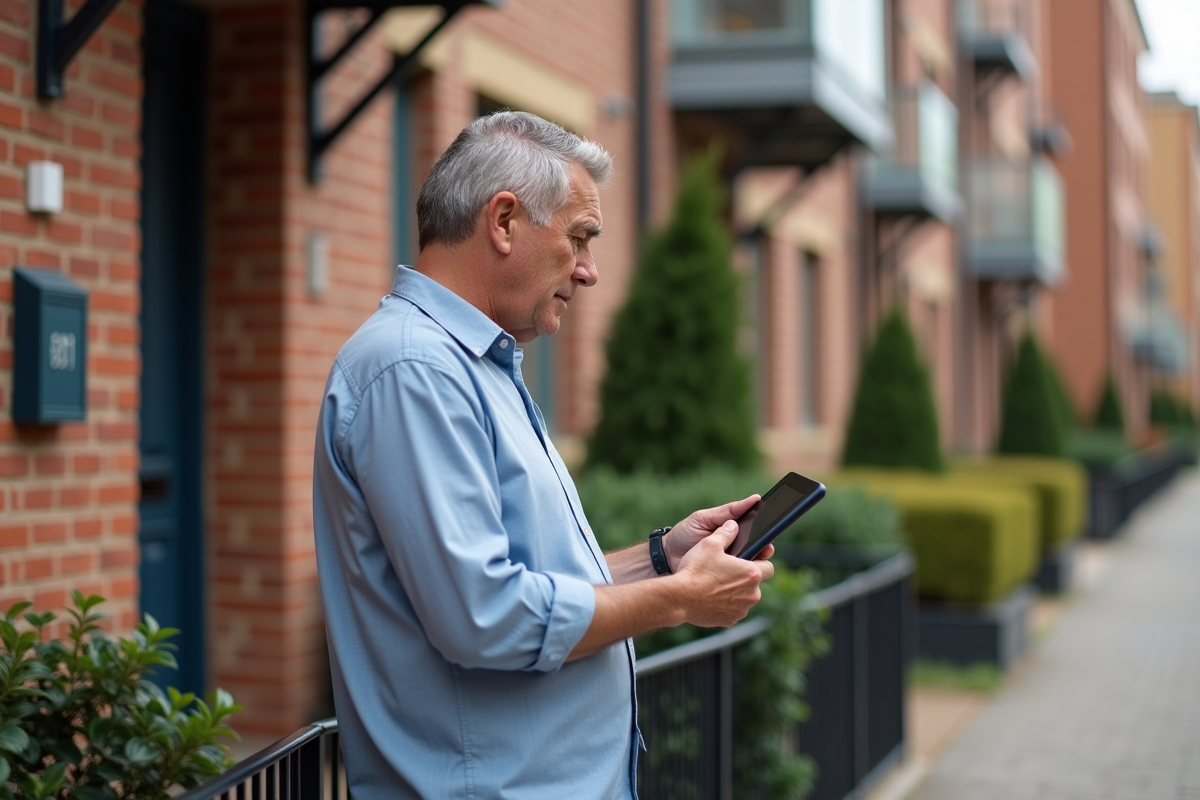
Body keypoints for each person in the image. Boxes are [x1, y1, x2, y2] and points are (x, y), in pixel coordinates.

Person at [313, 111, 774, 800]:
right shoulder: (415, 370)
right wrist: (677, 600)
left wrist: (658, 560)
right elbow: (485, 616)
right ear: (503, 222)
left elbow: (520, 578)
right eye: (580, 238)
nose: (589, 272)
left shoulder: (475, 366)